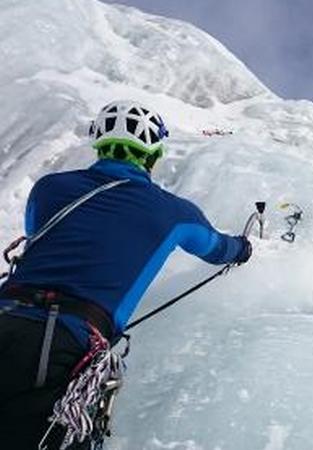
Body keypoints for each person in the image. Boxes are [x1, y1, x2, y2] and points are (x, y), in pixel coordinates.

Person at [0, 100, 253, 449]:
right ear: (153, 155)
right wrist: (245, 248)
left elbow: (37, 236)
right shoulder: (173, 212)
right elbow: (216, 248)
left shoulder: (50, 188)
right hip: (63, 341)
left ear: (99, 143)